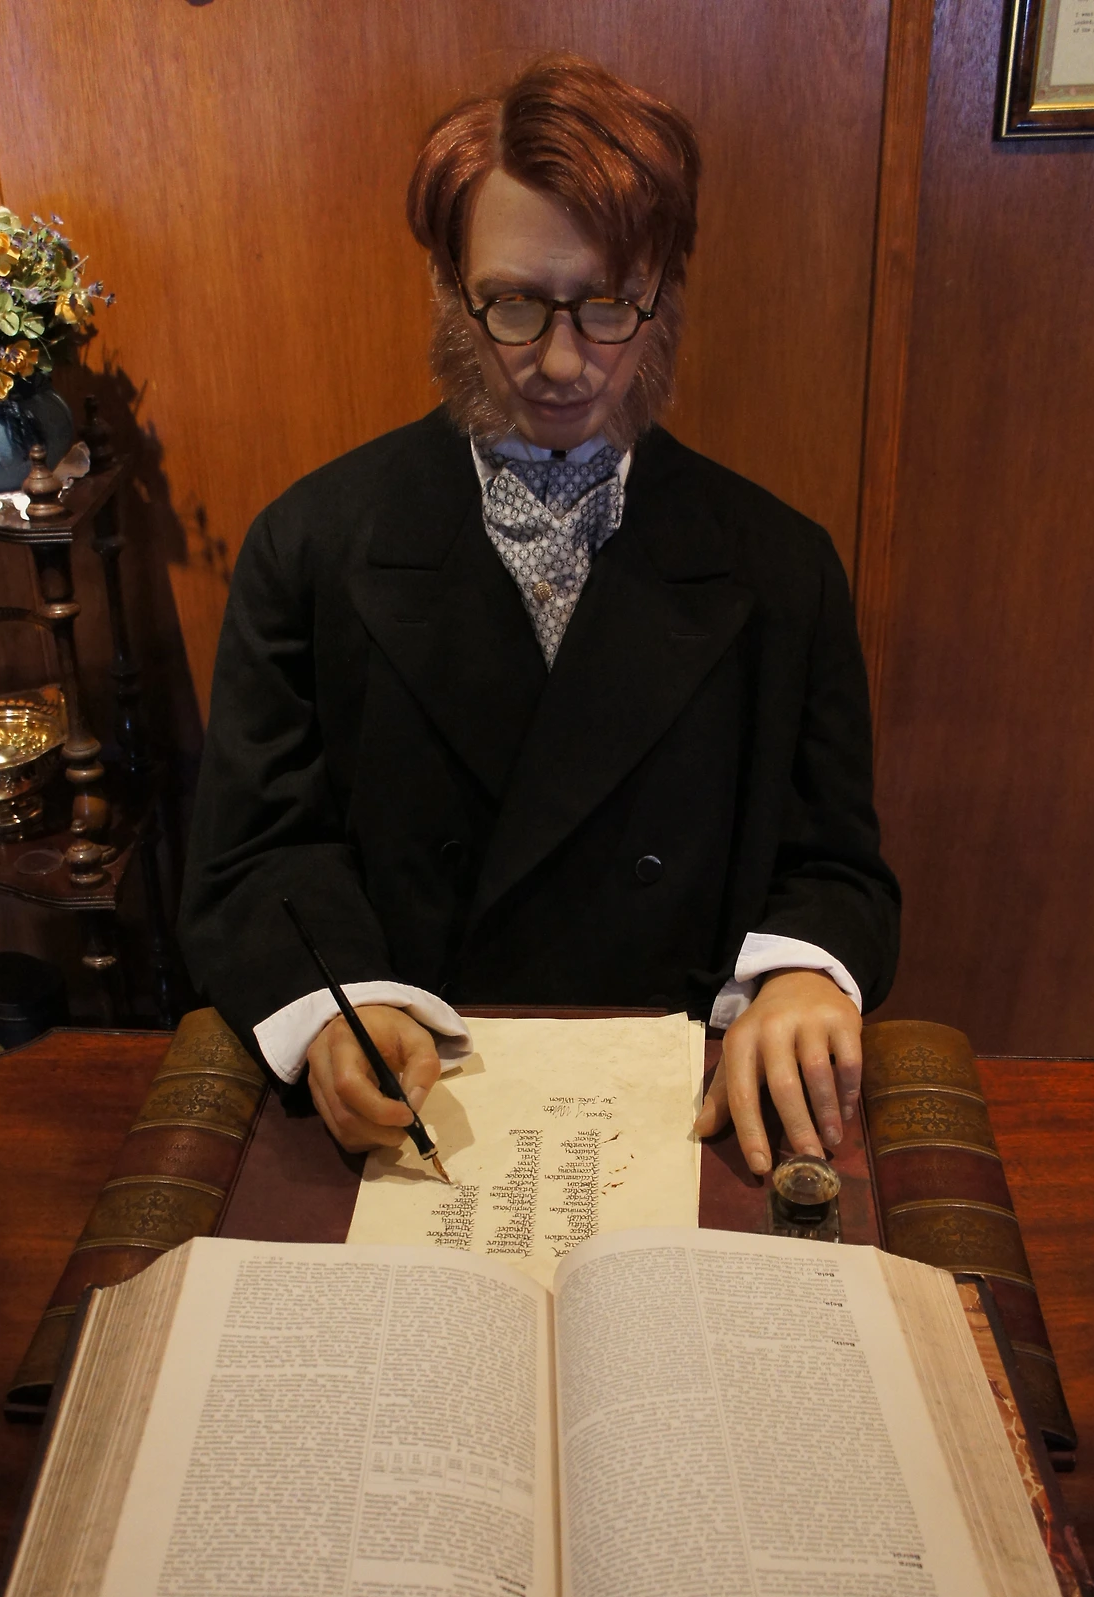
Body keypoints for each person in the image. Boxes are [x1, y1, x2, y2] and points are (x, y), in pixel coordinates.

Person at [179, 54, 900, 1177]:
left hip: (681, 1108)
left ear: (662, 290)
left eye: (607, 304)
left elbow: (835, 863)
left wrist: (802, 972)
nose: (562, 364)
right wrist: (340, 1008)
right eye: (513, 303)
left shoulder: (780, 566)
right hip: (421, 1104)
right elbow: (257, 851)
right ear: (448, 287)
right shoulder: (309, 546)